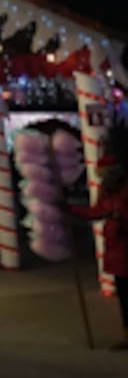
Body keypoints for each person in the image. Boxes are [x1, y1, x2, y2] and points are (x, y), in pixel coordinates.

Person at [68, 141, 128, 350]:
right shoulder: (108, 194)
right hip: (117, 249)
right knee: (125, 297)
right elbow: (96, 212)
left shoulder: (123, 193)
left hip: (123, 245)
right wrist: (70, 208)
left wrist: (121, 219)